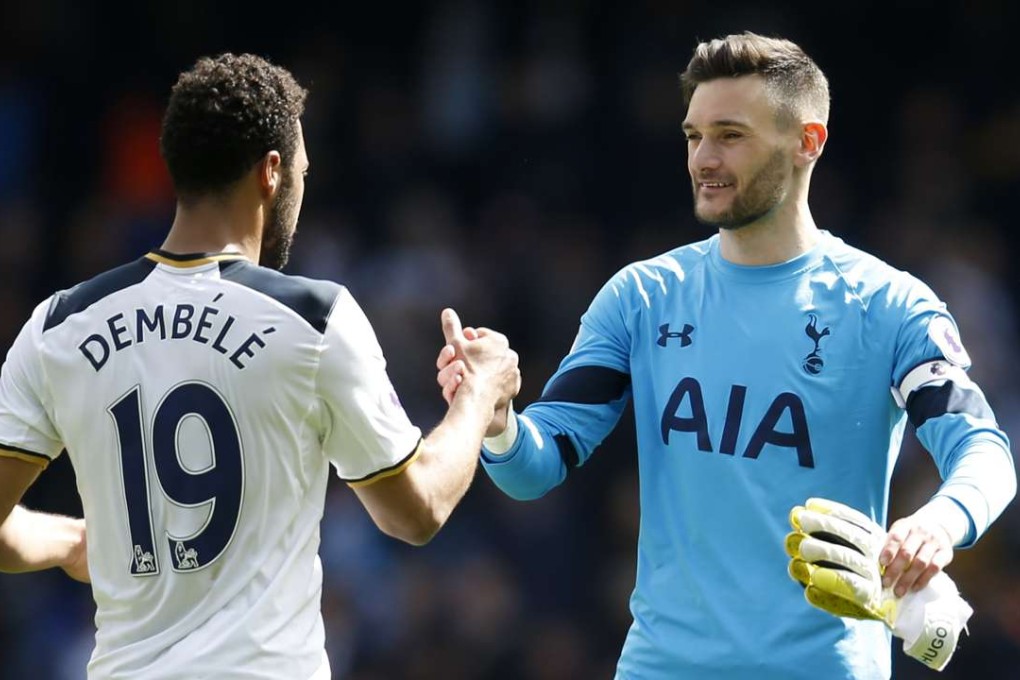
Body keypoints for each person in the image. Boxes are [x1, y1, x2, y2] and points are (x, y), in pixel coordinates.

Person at [437, 31, 1016, 679]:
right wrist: (495, 419)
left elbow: (985, 451)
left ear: (808, 142)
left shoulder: (888, 307)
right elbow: (535, 467)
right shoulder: (643, 297)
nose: (703, 159)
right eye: (693, 135)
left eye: (731, 135)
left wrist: (939, 523)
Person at [0, 52, 518, 679]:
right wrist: (478, 395)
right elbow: (416, 511)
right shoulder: (311, 318)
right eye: (302, 168)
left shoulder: (60, 325)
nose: (303, 182)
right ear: (272, 173)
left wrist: (69, 543)